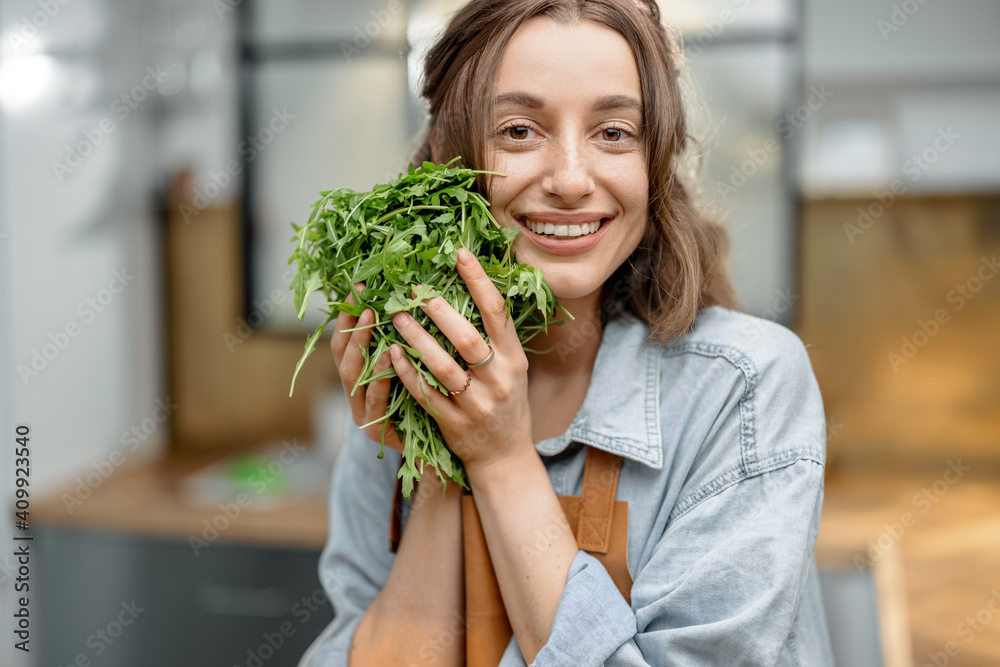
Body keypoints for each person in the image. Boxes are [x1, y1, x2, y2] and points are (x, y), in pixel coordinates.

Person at [300, 0, 834, 665]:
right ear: (446, 155)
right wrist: (440, 451)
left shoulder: (745, 388)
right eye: (521, 130)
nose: (573, 180)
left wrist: (499, 460)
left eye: (614, 132)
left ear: (655, 160)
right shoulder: (405, 381)